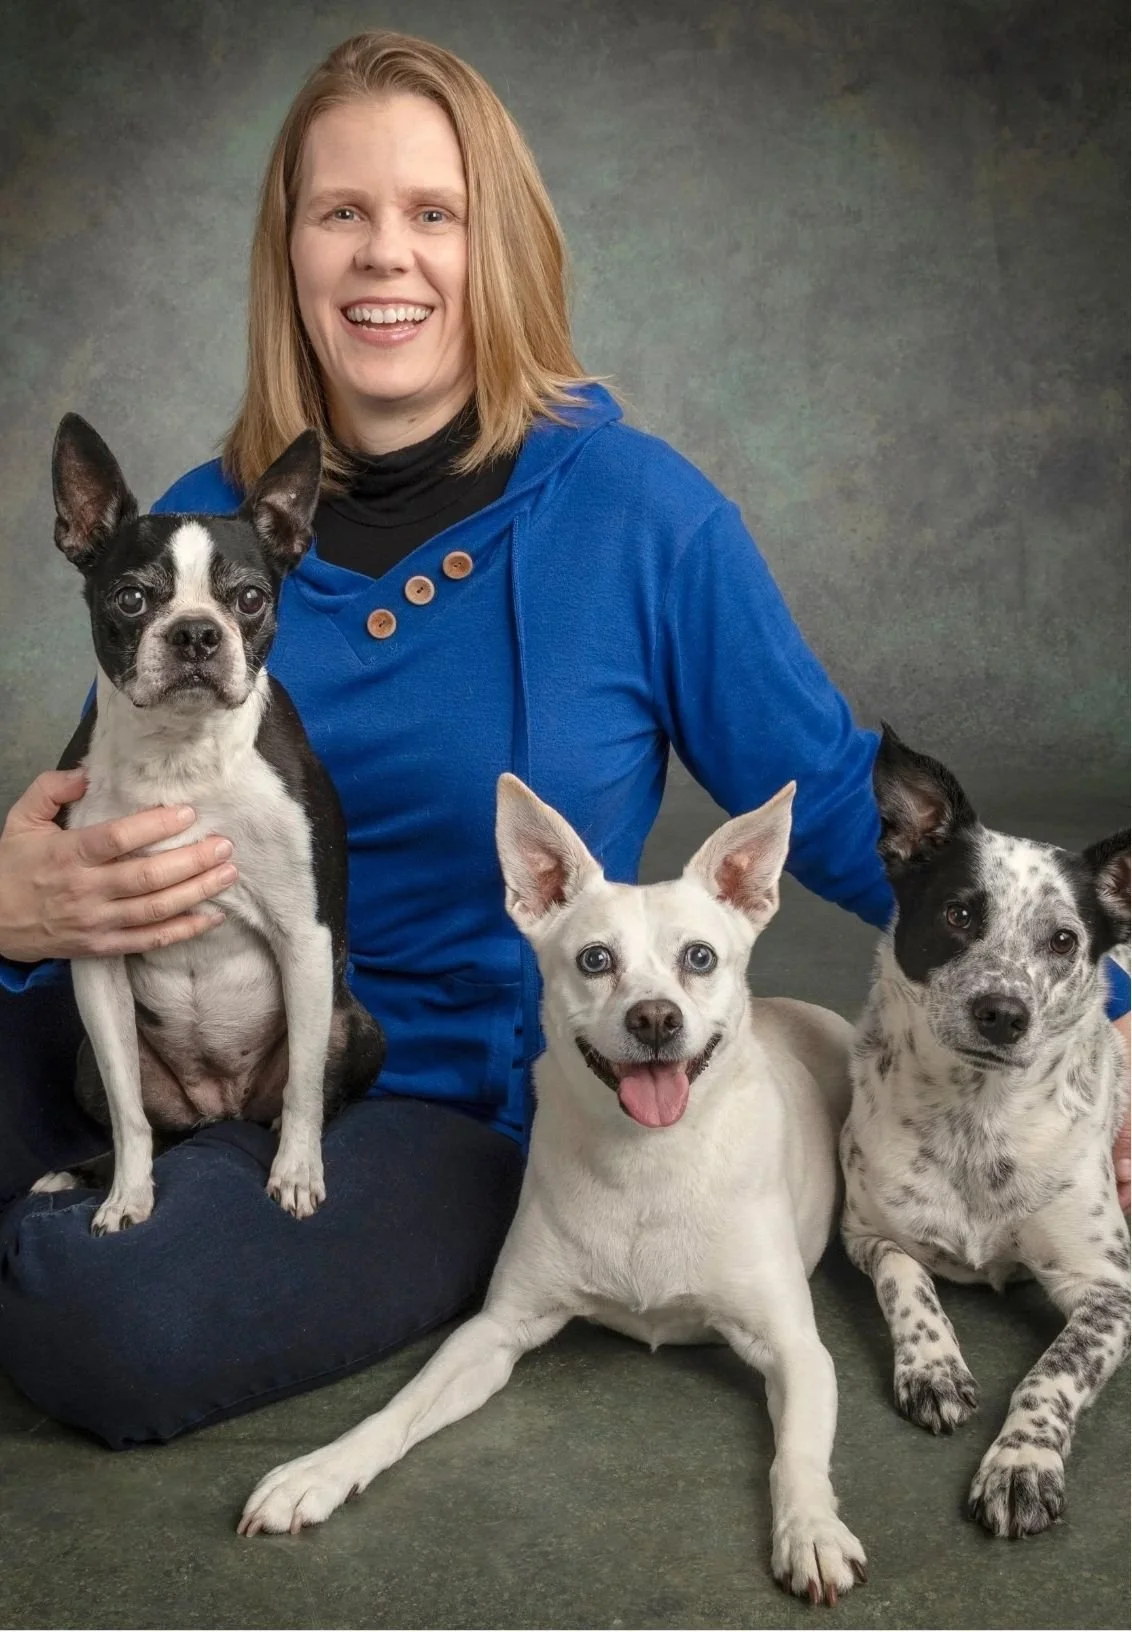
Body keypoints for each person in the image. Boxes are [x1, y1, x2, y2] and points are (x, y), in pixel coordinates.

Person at [0, 31, 1127, 1450]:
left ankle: (124, 1215)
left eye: (434, 213)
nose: (382, 256)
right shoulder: (196, 522)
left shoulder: (641, 514)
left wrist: (1120, 1016)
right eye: (341, 212)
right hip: (167, 1015)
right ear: (288, 251)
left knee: (113, 1320)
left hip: (442, 1100)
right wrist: (12, 903)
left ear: (504, 245)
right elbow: (71, 825)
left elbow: (851, 803)